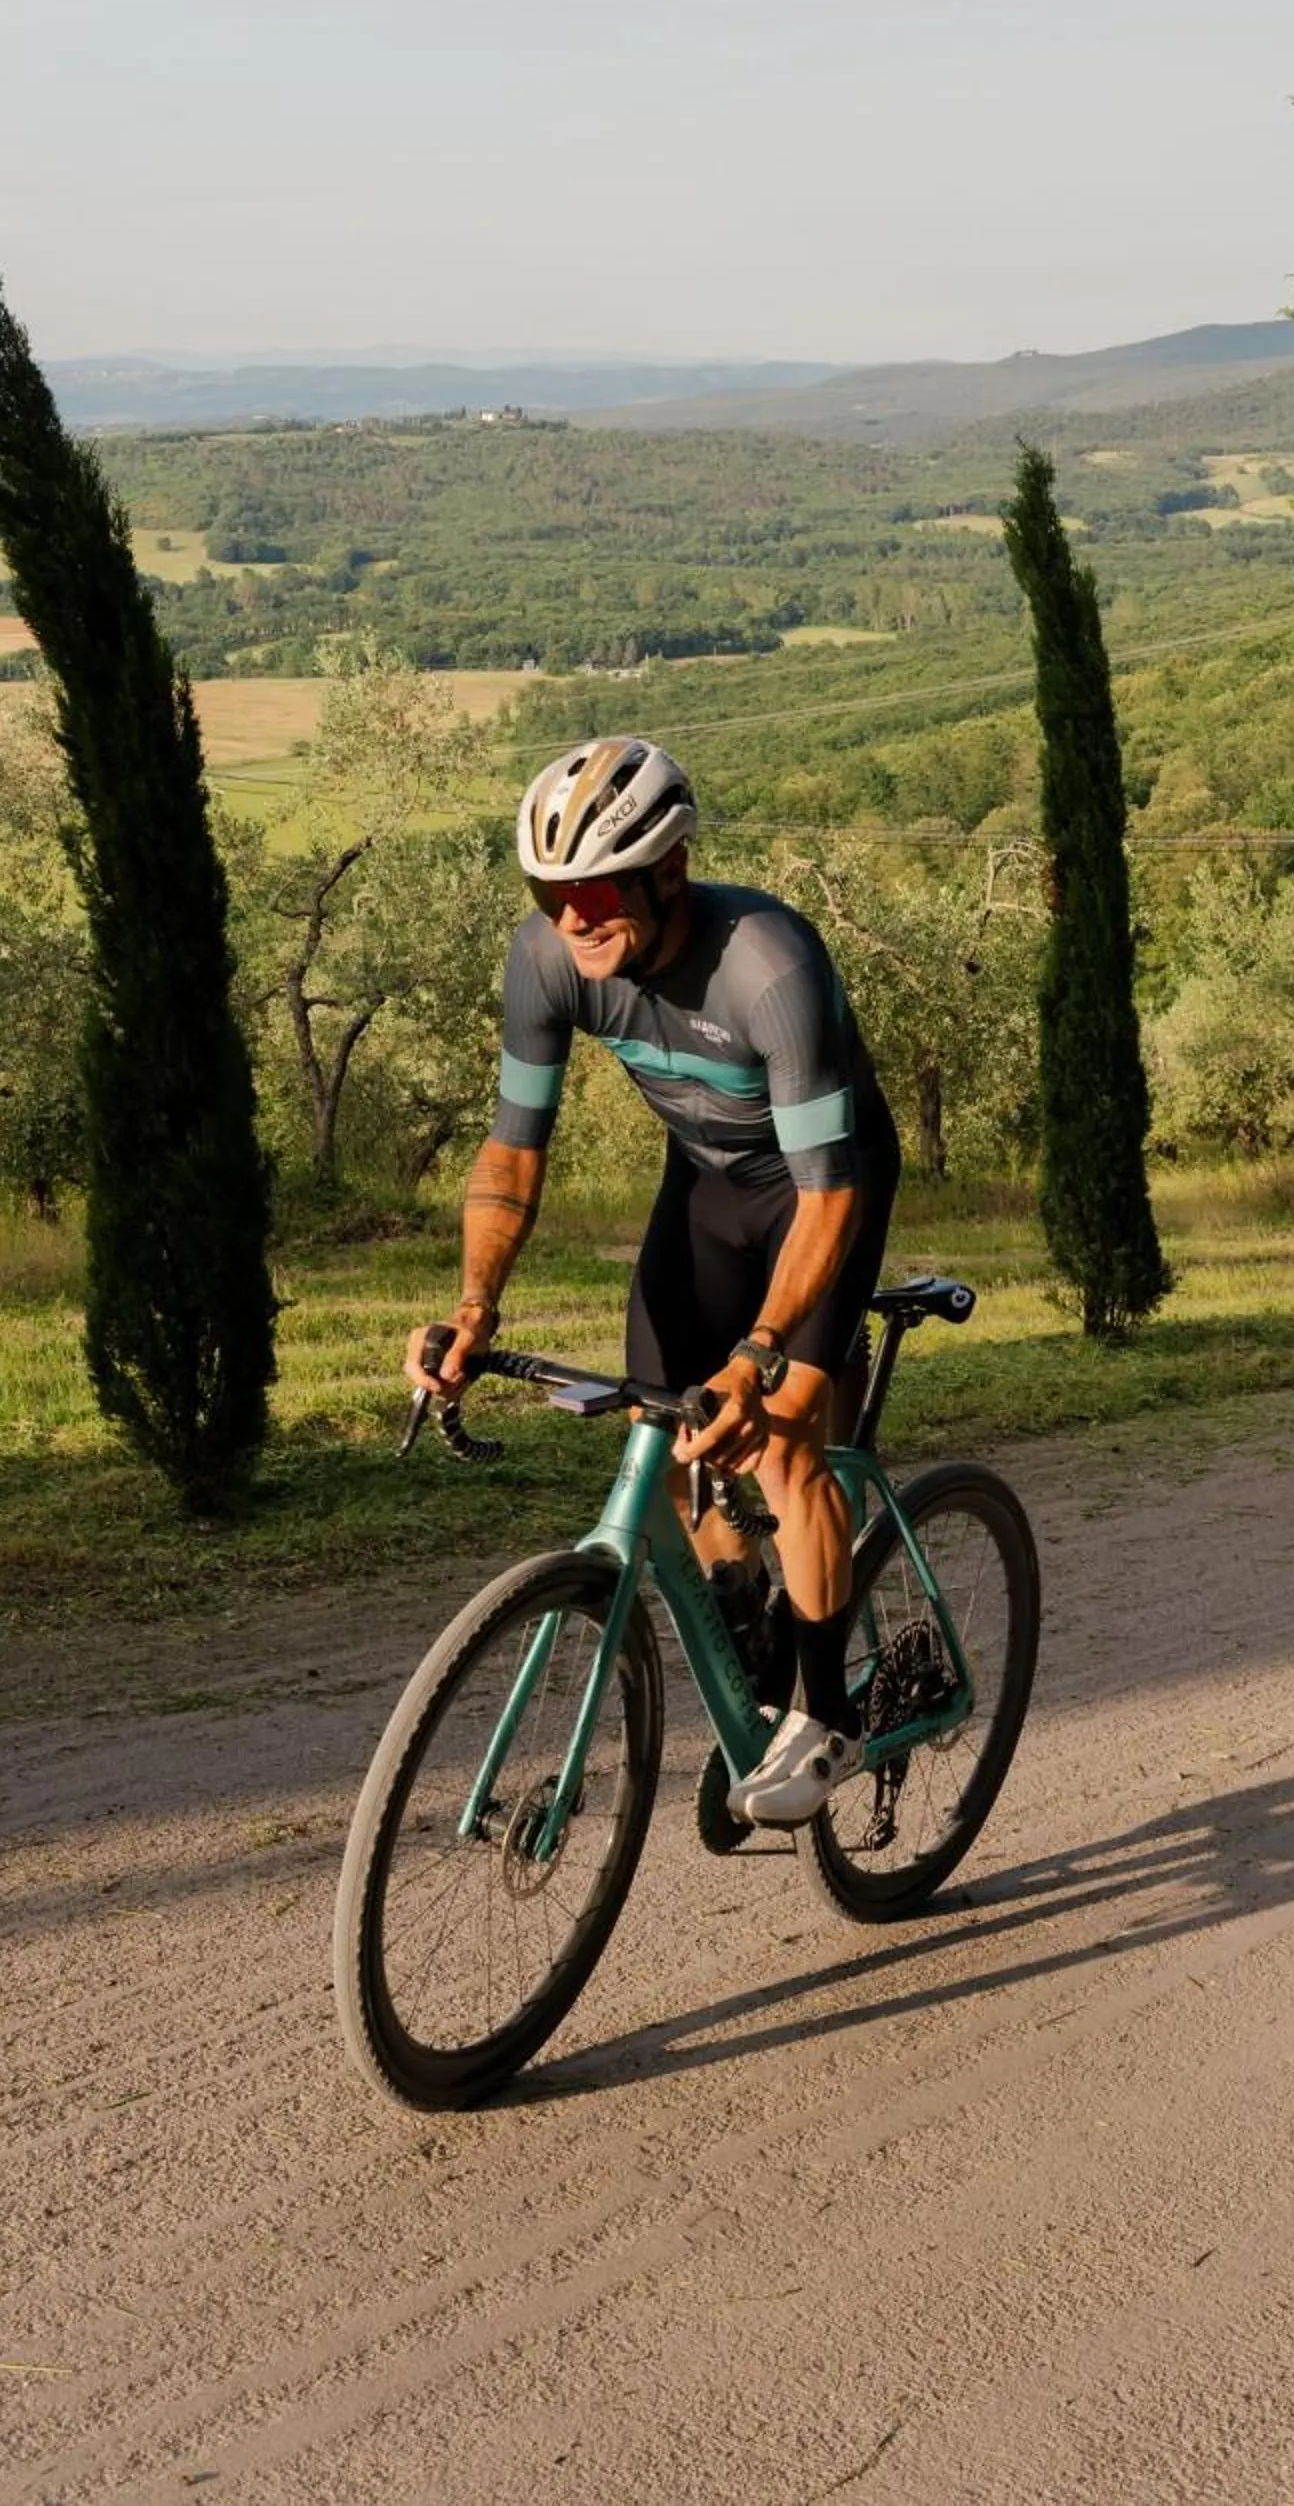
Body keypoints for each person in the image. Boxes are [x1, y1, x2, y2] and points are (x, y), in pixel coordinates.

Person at [402, 736, 901, 1829]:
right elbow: (512, 1152)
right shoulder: (546, 961)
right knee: (661, 1438)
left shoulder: (768, 966)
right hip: (707, 1189)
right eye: (549, 894)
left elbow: (828, 1197)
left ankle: (825, 1716)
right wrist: (474, 1307)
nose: (570, 919)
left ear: (668, 871)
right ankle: (747, 1610)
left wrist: (760, 1355)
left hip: (824, 1189)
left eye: (592, 892)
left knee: (779, 1443)